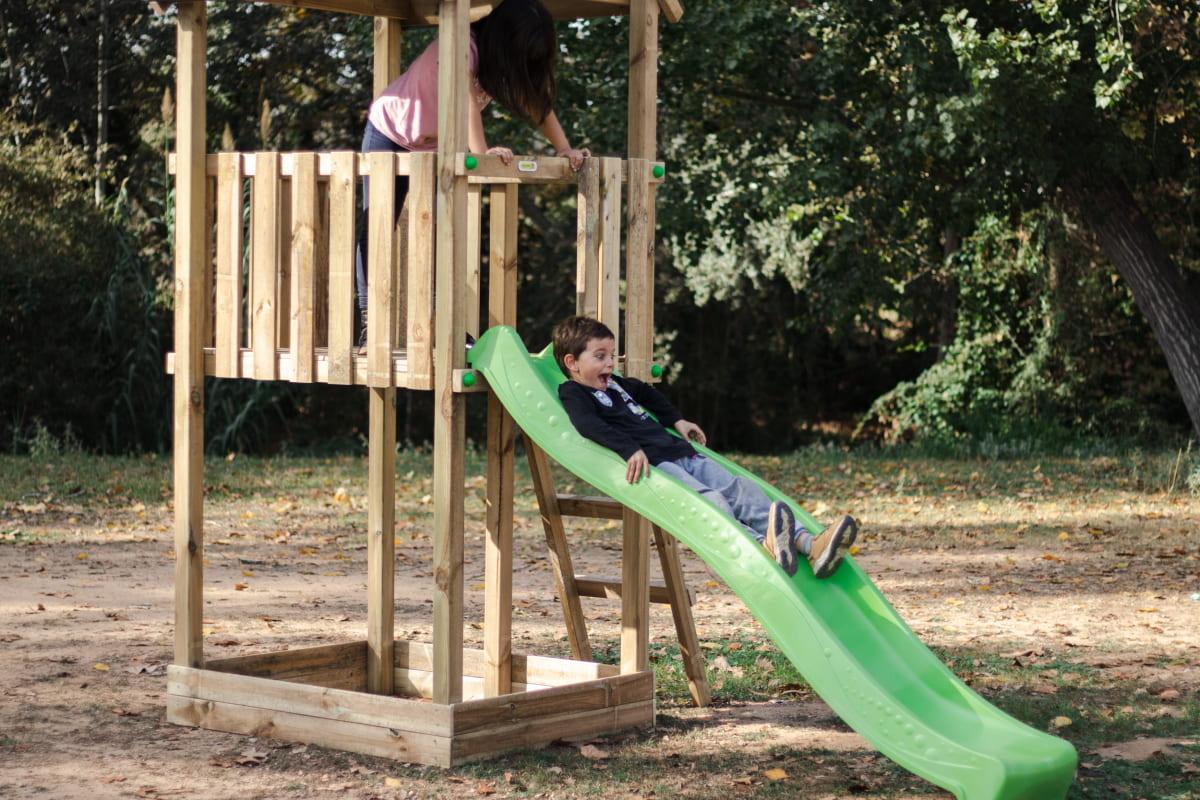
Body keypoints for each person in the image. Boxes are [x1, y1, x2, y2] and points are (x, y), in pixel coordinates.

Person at [355, 0, 590, 348]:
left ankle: (441, 326)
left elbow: (537, 103)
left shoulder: (498, 63)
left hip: (435, 146)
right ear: (504, 39)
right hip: (391, 132)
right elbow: (465, 102)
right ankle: (368, 323)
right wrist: (483, 153)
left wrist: (564, 149)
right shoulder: (461, 45)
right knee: (377, 225)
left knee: (440, 232)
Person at [553, 316, 858, 579]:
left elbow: (647, 393)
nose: (610, 363)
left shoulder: (616, 384)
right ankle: (761, 545)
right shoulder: (573, 392)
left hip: (679, 451)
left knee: (742, 489)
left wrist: (678, 421)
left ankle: (809, 546)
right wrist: (628, 449)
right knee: (711, 501)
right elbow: (587, 425)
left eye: (611, 355)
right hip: (658, 466)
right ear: (572, 363)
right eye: (600, 356)